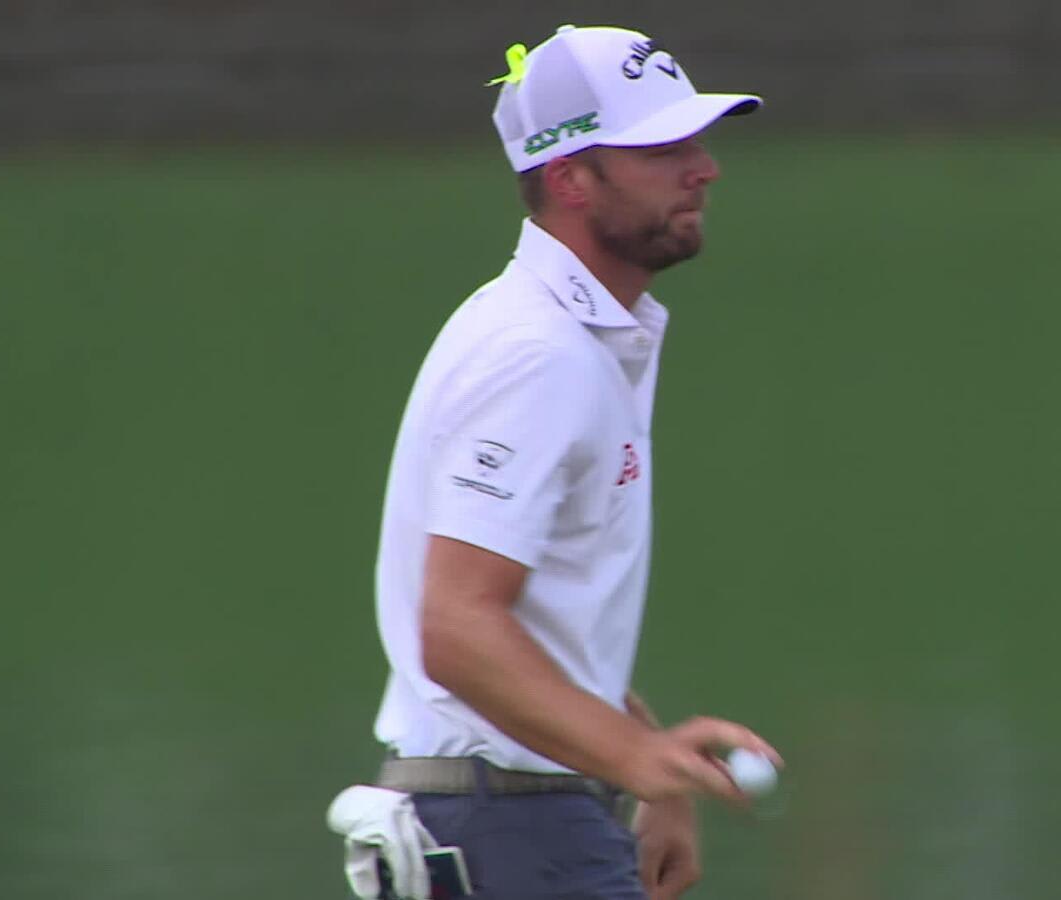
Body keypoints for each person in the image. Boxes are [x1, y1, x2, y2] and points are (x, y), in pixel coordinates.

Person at [325, 24, 782, 900]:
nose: (705, 169)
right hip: (508, 831)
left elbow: (536, 626)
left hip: (524, 822)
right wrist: (632, 755)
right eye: (664, 150)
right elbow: (458, 628)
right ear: (571, 178)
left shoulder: (572, 339)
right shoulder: (537, 353)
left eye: (697, 143)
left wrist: (652, 771)